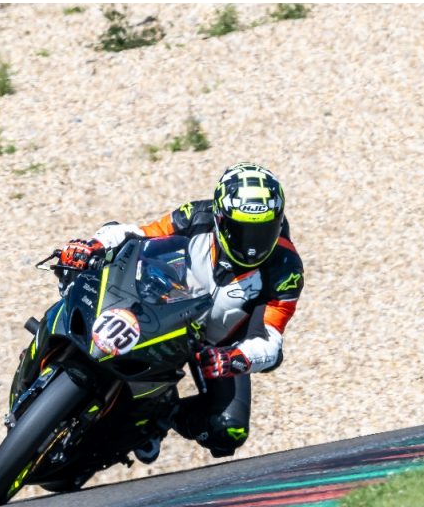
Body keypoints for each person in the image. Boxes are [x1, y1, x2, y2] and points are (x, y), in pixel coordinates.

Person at [59, 162, 304, 464]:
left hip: (217, 346)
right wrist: (94, 245)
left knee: (229, 432)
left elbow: (270, 338)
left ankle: (161, 418)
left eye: (262, 232)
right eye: (242, 231)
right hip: (165, 302)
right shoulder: (197, 215)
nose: (251, 246)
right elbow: (139, 233)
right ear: (220, 218)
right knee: (89, 263)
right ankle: (61, 327)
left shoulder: (286, 270)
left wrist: (236, 358)